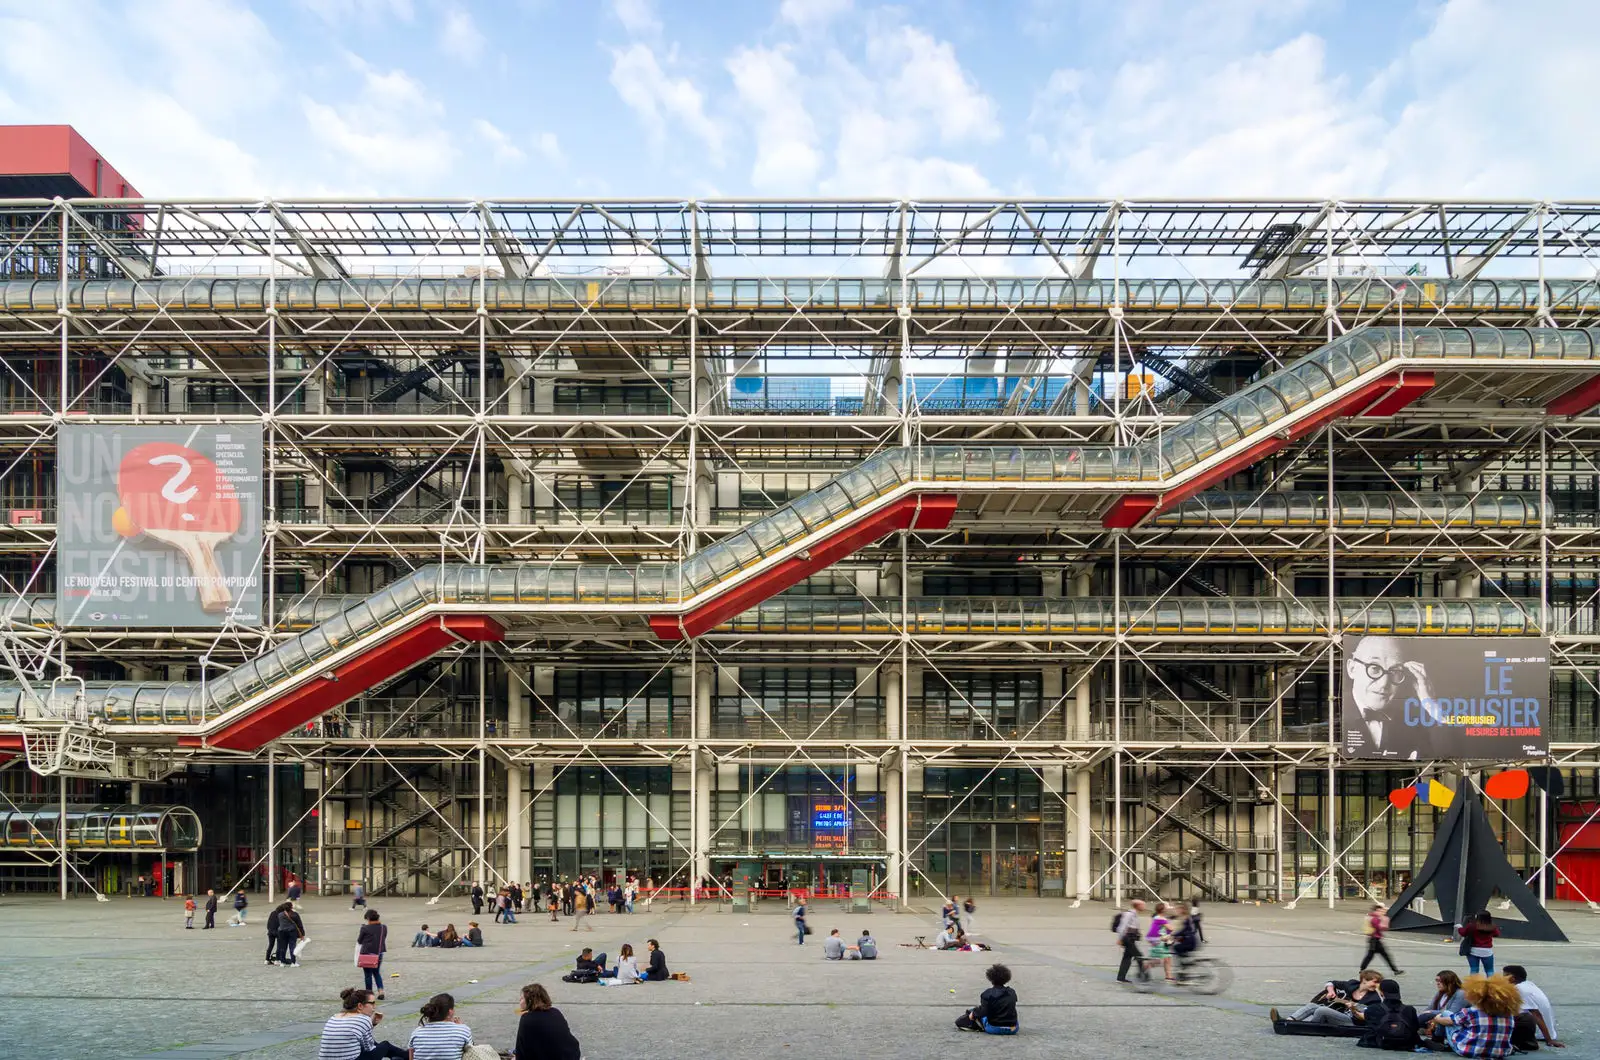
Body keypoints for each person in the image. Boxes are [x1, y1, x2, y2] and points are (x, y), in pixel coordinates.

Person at [1343, 634, 1440, 759]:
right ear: (1352, 668)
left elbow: (1447, 755)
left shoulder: (1411, 723)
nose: (1384, 683)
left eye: (1395, 672)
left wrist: (1430, 704)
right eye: (1374, 668)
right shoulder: (1332, 715)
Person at [1432, 973, 1520, 1058]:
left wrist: (1437, 1019)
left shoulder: (1472, 1011)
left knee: (1446, 1014)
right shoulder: (1509, 1014)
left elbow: (1448, 1021)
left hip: (1469, 1051)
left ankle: (1437, 1040)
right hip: (1500, 1052)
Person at [318, 987, 406, 1060]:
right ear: (360, 1006)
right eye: (372, 1003)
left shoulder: (334, 1017)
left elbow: (356, 1036)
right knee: (385, 1045)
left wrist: (372, 1024)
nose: (374, 1007)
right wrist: (370, 1024)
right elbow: (369, 1048)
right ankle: (409, 1056)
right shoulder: (363, 1019)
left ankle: (404, 1056)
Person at [1272, 969, 1384, 1027]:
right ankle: (1288, 1021)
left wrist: (1353, 1009)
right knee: (1313, 1006)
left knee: (1322, 1010)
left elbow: (1364, 1017)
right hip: (1340, 1013)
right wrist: (1331, 992)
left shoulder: (1375, 998)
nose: (1377, 985)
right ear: (1364, 980)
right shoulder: (1351, 984)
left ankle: (1303, 1027)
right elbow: (1330, 982)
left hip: (1353, 1021)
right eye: (1375, 982)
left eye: (1379, 983)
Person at [1503, 965, 1565, 1050]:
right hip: (1546, 1031)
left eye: (1504, 976)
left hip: (1539, 1034)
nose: (1502, 979)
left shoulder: (1520, 989)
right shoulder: (1528, 984)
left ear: (1512, 978)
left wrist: (1549, 1040)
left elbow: (1536, 1014)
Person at [513, 983, 580, 1060]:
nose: (519, 1001)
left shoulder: (527, 1019)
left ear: (530, 1000)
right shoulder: (555, 1011)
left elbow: (521, 1048)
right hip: (572, 1054)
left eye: (522, 998)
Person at [1357, 978, 1420, 1051]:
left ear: (1381, 993)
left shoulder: (1373, 1009)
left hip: (1381, 1041)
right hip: (1406, 1043)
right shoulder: (1410, 1009)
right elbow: (1415, 1027)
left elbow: (1370, 1025)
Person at [955, 963, 1019, 1034]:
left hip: (994, 1028)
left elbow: (983, 1011)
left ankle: (979, 1026)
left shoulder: (987, 994)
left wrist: (973, 1013)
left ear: (991, 979)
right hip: (1013, 1028)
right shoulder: (1012, 992)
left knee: (965, 1018)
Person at [408, 992, 475, 1060]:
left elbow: (411, 1058)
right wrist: (460, 1027)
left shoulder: (417, 1032)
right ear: (450, 1012)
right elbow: (472, 1052)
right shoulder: (463, 1030)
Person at [1360, 902, 1404, 976]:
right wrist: (1385, 921)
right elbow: (1380, 927)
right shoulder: (1375, 919)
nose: (1382, 912)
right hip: (1375, 940)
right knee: (1380, 956)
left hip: (1374, 940)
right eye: (1380, 911)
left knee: (1372, 956)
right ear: (1376, 911)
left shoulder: (1372, 917)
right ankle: (1395, 970)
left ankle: (1362, 969)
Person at [357, 909, 390, 1000]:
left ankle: (369, 994)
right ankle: (381, 990)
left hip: (367, 954)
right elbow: (383, 938)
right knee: (376, 972)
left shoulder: (364, 928)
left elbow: (359, 941)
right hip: (379, 953)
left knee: (368, 975)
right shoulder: (384, 927)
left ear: (368, 918)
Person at [1113, 899, 1146, 983]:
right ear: (1137, 906)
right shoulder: (1129, 914)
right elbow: (1122, 927)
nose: (1144, 907)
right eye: (1142, 905)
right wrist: (1120, 939)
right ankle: (1143, 976)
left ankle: (1121, 977)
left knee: (1127, 957)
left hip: (1131, 938)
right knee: (1139, 956)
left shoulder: (1135, 914)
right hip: (1127, 938)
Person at [1458, 912, 1500, 976]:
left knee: (1474, 969)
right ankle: (1492, 985)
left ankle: (1474, 984)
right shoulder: (1492, 926)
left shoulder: (1472, 926)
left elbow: (1463, 933)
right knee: (1489, 970)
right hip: (1487, 951)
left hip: (1473, 950)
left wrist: (1459, 928)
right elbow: (1497, 934)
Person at [1145, 902, 1174, 982]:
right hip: (1158, 941)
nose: (1168, 910)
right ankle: (1143, 969)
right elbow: (1171, 928)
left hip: (1163, 940)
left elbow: (1167, 930)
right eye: (1167, 908)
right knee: (1157, 960)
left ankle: (1168, 976)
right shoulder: (1159, 918)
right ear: (1163, 910)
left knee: (1167, 958)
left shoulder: (1162, 917)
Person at [276, 902, 306, 967]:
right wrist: (302, 934)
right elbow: (299, 925)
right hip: (292, 931)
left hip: (282, 931)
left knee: (283, 947)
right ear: (291, 907)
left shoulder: (280, 914)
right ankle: (293, 962)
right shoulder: (295, 915)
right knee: (292, 946)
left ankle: (282, 962)